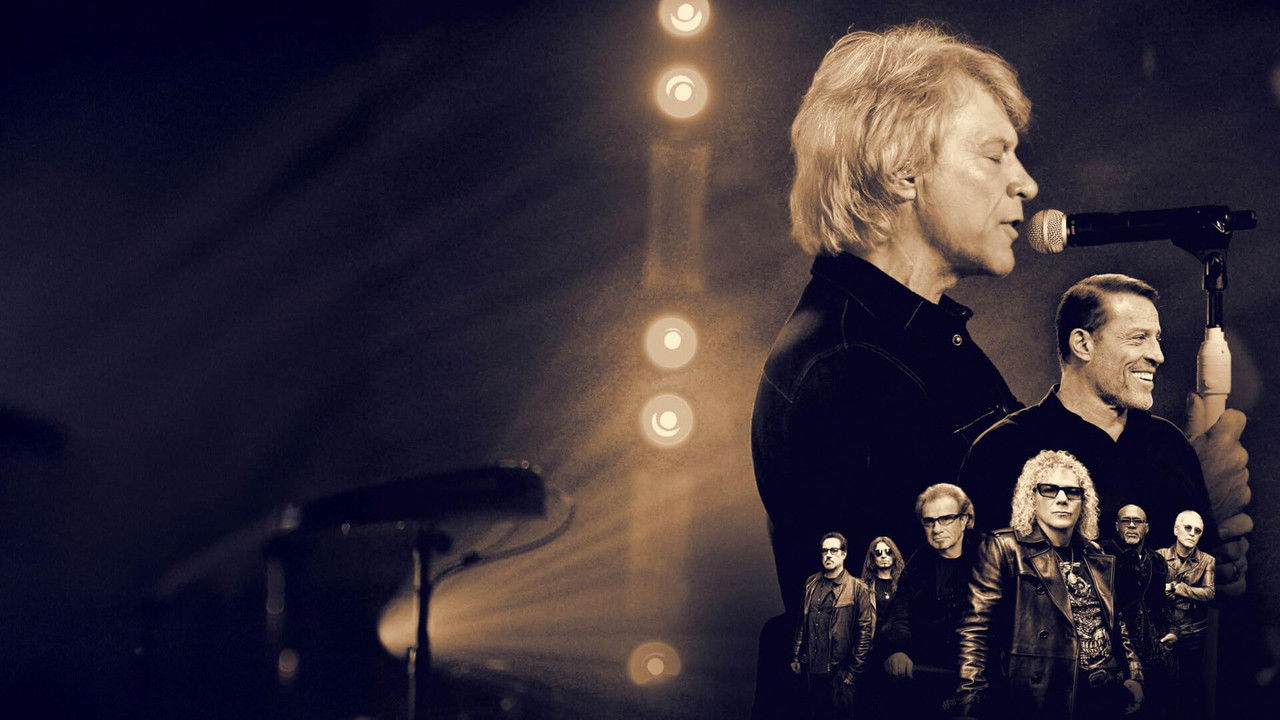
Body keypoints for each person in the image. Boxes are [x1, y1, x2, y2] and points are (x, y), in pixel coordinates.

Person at [752, 20, 1035, 618]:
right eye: (994, 156)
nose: (1026, 184)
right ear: (903, 172)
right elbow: (940, 612)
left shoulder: (908, 338)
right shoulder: (847, 365)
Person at [958, 274, 1250, 596]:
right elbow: (976, 594)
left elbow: (1202, 577)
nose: (1157, 355)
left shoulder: (1170, 444)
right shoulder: (1002, 450)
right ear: (1083, 344)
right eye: (1138, 338)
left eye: (1157, 338)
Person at [953, 450, 1143, 719]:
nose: (1062, 499)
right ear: (1031, 497)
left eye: (1072, 492)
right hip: (1044, 697)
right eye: (1050, 490)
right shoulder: (1004, 547)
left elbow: (1115, 620)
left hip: (1104, 697)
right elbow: (975, 630)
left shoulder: (1094, 553)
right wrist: (969, 706)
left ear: (1083, 502)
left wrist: (1133, 674)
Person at [880, 483, 981, 718]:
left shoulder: (990, 555)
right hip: (931, 676)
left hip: (982, 676)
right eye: (929, 521)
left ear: (964, 520)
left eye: (945, 519)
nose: (936, 529)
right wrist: (897, 649)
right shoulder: (918, 564)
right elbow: (899, 614)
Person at [791, 532, 876, 719]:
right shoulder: (811, 583)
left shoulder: (858, 587)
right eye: (824, 551)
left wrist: (853, 672)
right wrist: (796, 655)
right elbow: (801, 622)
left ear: (843, 554)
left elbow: (865, 633)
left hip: (840, 672)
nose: (828, 555)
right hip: (811, 669)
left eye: (833, 550)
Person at [1101, 504, 1175, 717]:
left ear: (1146, 527)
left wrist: (1172, 630)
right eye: (1126, 521)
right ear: (1117, 526)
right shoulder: (1102, 555)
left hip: (1152, 648)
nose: (1132, 525)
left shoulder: (1157, 561)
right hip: (1115, 650)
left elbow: (1161, 602)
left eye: (1138, 521)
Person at [1157, 510, 1215, 718]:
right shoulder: (1160, 556)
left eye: (1197, 531)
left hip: (1193, 631)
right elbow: (1151, 589)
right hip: (1164, 626)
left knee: (1191, 683)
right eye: (1188, 527)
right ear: (1176, 529)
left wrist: (1178, 588)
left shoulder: (1207, 560)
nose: (1192, 533)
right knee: (1164, 683)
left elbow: (1209, 593)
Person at [860, 536, 905, 631]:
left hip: (900, 637)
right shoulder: (865, 586)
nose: (883, 556)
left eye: (888, 552)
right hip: (875, 638)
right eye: (878, 553)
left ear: (894, 555)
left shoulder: (903, 583)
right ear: (873, 557)